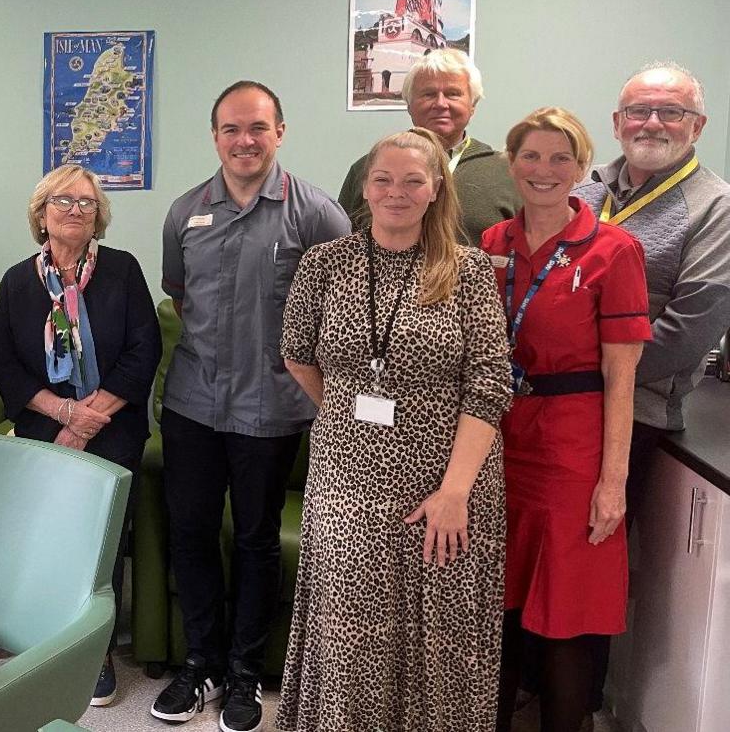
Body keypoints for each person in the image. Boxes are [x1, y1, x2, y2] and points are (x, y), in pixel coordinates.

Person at [277, 128, 512, 732]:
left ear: (436, 189)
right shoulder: (325, 263)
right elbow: (297, 353)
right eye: (384, 179)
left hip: (451, 477)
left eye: (413, 180)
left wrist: (455, 491)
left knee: (443, 632)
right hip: (347, 476)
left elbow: (489, 383)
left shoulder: (467, 270)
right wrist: (350, 411)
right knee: (352, 628)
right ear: (365, 186)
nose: (396, 191)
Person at [153, 80, 350, 732]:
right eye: (232, 128)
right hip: (193, 407)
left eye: (257, 128)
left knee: (258, 538)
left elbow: (336, 312)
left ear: (280, 132)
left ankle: (243, 673)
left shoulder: (316, 214)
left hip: (272, 409)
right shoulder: (184, 212)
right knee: (190, 530)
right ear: (215, 136)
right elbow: (183, 300)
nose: (245, 140)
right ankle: (200, 663)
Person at [483, 108, 650, 732]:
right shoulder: (491, 245)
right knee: (494, 602)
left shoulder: (614, 250)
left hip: (573, 450)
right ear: (511, 163)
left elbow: (622, 379)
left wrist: (613, 482)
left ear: (583, 169)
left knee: (567, 612)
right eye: (531, 156)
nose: (544, 170)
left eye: (560, 159)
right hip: (497, 440)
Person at [571, 61, 730, 713]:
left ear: (697, 125)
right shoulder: (589, 187)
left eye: (669, 111)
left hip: (630, 415)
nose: (652, 123)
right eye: (639, 110)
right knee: (545, 559)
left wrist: (587, 370)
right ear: (617, 122)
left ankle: (572, 711)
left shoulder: (714, 207)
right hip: (554, 405)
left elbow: (691, 328)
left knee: (586, 569)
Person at [0, 163, 160, 707]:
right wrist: (64, 414)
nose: (76, 210)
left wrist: (87, 420)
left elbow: (142, 352)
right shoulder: (18, 281)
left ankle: (96, 650)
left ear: (99, 215)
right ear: (41, 213)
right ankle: (43, 638)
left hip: (112, 426)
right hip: (42, 425)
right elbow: (7, 365)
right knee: (46, 534)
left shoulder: (123, 271)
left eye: (87, 202)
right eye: (63, 200)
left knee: (101, 539)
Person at [338, 48, 521, 246]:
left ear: (473, 105)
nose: (441, 104)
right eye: (428, 94)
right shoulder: (368, 169)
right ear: (409, 104)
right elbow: (343, 244)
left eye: (453, 94)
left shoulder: (507, 171)